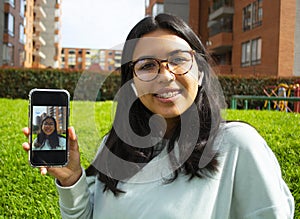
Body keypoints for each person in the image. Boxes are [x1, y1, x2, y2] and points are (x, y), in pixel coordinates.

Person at [22, 13, 294, 218]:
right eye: (148, 65)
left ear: (199, 71)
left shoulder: (236, 144)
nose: (165, 75)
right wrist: (71, 179)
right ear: (132, 81)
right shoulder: (113, 146)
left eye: (178, 60)